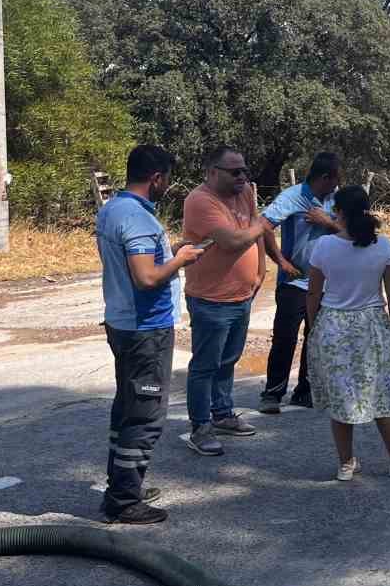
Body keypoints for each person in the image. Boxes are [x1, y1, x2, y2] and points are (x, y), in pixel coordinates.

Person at [95, 145, 204, 524]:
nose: (168, 185)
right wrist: (181, 260)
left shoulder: (113, 209)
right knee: (145, 415)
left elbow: (136, 264)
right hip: (145, 329)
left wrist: (169, 252)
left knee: (127, 407)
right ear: (156, 177)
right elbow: (145, 278)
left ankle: (121, 484)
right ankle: (124, 500)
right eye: (167, 179)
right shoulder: (137, 218)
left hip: (122, 323)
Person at [180, 145, 297, 456]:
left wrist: (259, 273)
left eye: (245, 170)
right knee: (205, 365)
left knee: (228, 360)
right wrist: (267, 221)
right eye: (235, 172)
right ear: (212, 172)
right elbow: (232, 242)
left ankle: (222, 413)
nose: (243, 176)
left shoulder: (243, 193)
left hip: (242, 296)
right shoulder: (201, 201)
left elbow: (255, 235)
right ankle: (200, 427)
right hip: (210, 299)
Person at [305, 185, 390, 481]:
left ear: (338, 211)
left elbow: (313, 293)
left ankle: (346, 464)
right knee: (380, 393)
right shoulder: (383, 246)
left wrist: (314, 326)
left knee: (342, 395)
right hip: (371, 324)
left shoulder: (324, 247)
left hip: (334, 325)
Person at [258, 152, 342, 414]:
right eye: (336, 178)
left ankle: (304, 392)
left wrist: (325, 222)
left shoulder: (336, 199)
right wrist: (281, 262)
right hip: (294, 283)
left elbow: (353, 231)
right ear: (324, 178)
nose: (338, 183)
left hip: (326, 285)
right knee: (284, 338)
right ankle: (273, 394)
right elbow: (263, 225)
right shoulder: (293, 196)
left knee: (315, 338)